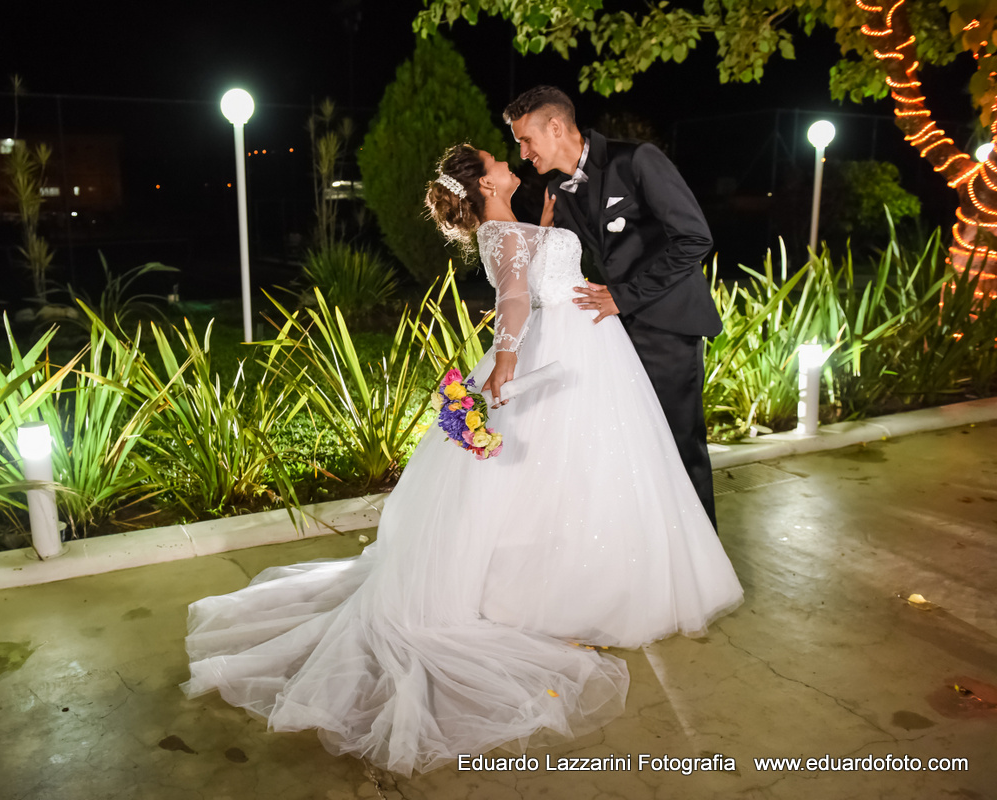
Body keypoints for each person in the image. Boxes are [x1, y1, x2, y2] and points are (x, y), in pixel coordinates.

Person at [181, 144, 743, 777]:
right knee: (559, 474)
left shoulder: (514, 222)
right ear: (482, 181)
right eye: (495, 158)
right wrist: (503, 364)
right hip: (558, 349)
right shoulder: (502, 230)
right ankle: (562, 594)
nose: (510, 159)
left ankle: (593, 580)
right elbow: (512, 299)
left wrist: (551, 231)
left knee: (579, 472)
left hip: (587, 345)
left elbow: (530, 272)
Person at [504, 86, 722, 531]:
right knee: (635, 448)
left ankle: (706, 557)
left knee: (679, 446)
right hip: (613, 337)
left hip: (667, 327)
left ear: (557, 126)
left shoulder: (637, 159)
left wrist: (625, 295)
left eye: (526, 140)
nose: (522, 152)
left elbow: (695, 238)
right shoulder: (556, 189)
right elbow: (563, 261)